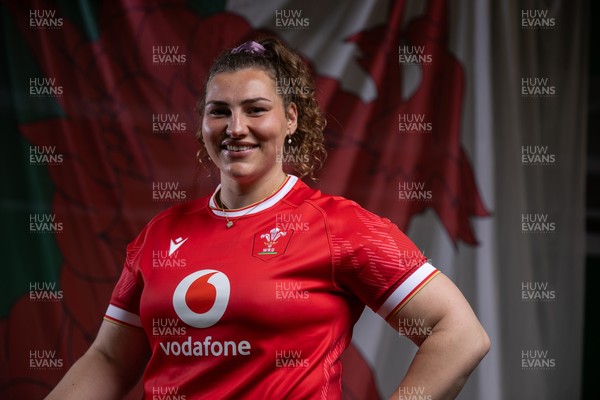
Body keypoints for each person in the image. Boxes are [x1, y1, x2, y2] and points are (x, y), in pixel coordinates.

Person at [47, 37, 490, 400]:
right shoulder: (160, 234)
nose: (235, 127)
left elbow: (459, 333)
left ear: (291, 119)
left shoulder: (340, 227)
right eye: (219, 111)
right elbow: (108, 360)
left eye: (255, 109)